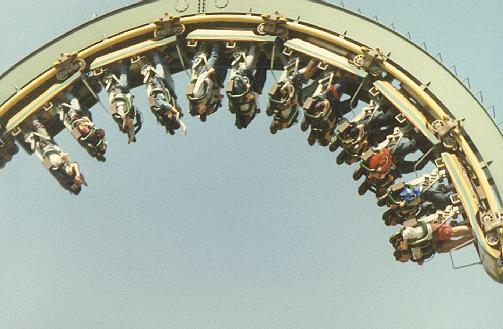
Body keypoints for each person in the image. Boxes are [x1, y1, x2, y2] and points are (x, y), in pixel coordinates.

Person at [267, 58, 318, 134]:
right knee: (307, 80)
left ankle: (314, 62)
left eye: (282, 127)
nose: (285, 127)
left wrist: (293, 99)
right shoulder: (277, 112)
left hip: (294, 94)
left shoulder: (285, 116)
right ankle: (315, 65)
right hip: (293, 94)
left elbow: (294, 108)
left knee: (310, 85)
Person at [143, 51, 186, 135]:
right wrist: (183, 126)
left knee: (161, 74)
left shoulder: (160, 110)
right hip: (166, 91)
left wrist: (171, 108)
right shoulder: (170, 114)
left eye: (171, 116)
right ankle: (163, 62)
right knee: (170, 81)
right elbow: (177, 118)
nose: (172, 114)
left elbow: (161, 102)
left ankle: (155, 54)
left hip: (157, 87)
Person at [391, 221, 472, 265]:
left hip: (432, 232)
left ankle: (473, 230)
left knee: (452, 232)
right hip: (436, 245)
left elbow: (407, 231)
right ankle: (472, 238)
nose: (406, 261)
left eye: (403, 260)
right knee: (455, 246)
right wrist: (420, 259)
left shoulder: (407, 237)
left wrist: (405, 242)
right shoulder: (412, 254)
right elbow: (422, 251)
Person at [187, 43, 227, 122]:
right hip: (212, 79)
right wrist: (218, 97)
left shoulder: (197, 95)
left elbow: (200, 81)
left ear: (198, 106)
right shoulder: (207, 102)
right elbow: (215, 95)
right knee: (223, 67)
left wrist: (208, 72)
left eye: (201, 111)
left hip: (205, 74)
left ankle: (217, 42)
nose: (204, 111)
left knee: (214, 57)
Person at [105, 61, 142, 143]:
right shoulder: (131, 114)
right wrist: (138, 123)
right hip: (124, 93)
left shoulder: (118, 116)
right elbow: (136, 112)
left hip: (117, 93)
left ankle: (119, 67)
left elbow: (112, 104)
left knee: (123, 85)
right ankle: (124, 64)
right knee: (124, 84)